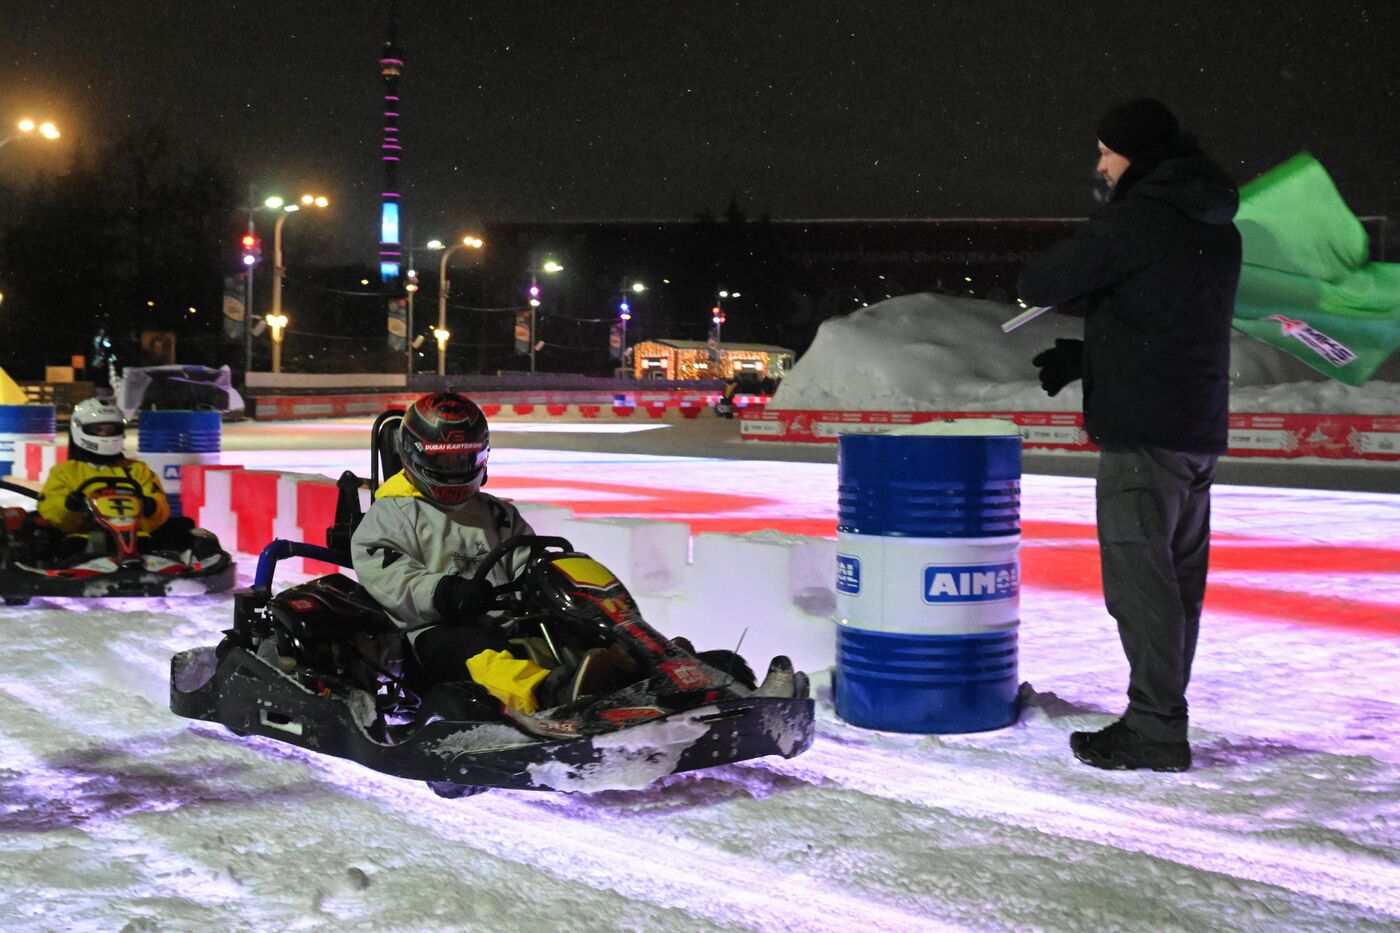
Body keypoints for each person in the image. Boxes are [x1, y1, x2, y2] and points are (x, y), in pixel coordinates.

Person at [1017, 99, 1242, 772]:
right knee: (1174, 585)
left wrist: (1106, 230)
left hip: (1143, 440)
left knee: (1142, 588)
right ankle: (1160, 713)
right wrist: (1085, 357)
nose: (1100, 164)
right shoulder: (1214, 226)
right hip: (1193, 431)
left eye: (1107, 151)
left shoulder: (1138, 220)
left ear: (1136, 156)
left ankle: (1154, 727)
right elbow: (1165, 324)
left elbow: (1039, 281)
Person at [350, 391, 625, 714]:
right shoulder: (391, 514)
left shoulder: (497, 512)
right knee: (473, 647)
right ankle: (548, 693)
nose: (455, 468)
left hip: (505, 620)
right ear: (415, 455)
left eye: (463, 458)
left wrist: (549, 581)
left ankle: (632, 662)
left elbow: (527, 558)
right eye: (445, 459)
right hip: (432, 632)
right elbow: (390, 578)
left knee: (569, 622)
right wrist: (444, 593)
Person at [36, 397, 193, 552]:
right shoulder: (65, 472)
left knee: (182, 528)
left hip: (136, 539)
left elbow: (159, 507)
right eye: (99, 429)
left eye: (110, 429)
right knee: (60, 545)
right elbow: (52, 513)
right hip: (84, 539)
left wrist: (151, 507)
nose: (105, 434)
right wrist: (69, 506)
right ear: (80, 429)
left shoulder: (137, 470)